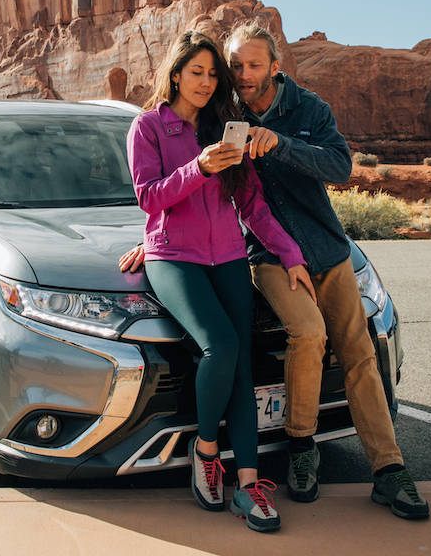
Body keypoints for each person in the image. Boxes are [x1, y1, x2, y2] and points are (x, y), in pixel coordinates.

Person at [122, 22, 430, 521]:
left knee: (347, 352)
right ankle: (262, 451)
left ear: (274, 66)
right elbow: (159, 194)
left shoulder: (285, 113)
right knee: (276, 338)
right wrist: (158, 231)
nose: (230, 77)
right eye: (228, 68)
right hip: (222, 256)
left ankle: (370, 472)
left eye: (246, 67)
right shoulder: (186, 122)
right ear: (179, 74)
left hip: (303, 251)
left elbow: (301, 180)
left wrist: (280, 157)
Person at [127, 29, 314, 533]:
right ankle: (206, 450)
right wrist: (199, 168)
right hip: (174, 258)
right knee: (220, 346)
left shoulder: (226, 129)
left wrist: (290, 254)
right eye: (197, 72)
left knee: (243, 367)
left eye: (214, 74)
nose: (207, 82)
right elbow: (150, 198)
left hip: (228, 255)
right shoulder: (148, 127)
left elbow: (251, 203)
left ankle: (249, 486)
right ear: (175, 73)